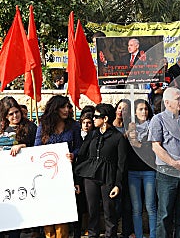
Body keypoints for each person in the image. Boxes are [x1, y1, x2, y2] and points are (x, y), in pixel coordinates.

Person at [147, 87, 180, 238]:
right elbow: (156, 146)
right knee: (165, 213)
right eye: (178, 99)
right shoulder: (158, 119)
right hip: (167, 172)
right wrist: (174, 163)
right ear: (167, 102)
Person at [75, 103, 128, 238]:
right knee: (92, 210)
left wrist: (118, 184)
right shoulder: (92, 135)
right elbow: (82, 155)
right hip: (90, 176)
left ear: (105, 119)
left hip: (108, 177)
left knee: (109, 210)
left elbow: (121, 164)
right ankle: (93, 235)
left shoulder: (118, 137)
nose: (93, 119)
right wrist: (77, 180)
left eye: (96, 116)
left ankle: (111, 235)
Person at [34, 95, 82, 238]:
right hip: (47, 177)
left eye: (68, 107)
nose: (67, 110)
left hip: (65, 176)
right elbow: (37, 147)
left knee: (62, 215)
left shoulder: (73, 126)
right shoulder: (43, 126)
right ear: (55, 108)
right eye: (63, 107)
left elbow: (80, 147)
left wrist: (73, 155)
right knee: (48, 214)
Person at [0, 97, 37, 238]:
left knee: (16, 221)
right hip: (4, 178)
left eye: (17, 112)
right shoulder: (2, 128)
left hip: (22, 180)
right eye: (10, 114)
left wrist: (23, 146)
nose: (15, 116)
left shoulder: (30, 127)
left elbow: (38, 148)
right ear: (4, 115)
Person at [124, 99, 157, 238]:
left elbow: (152, 148)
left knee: (150, 206)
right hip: (133, 171)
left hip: (149, 170)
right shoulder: (130, 128)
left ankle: (154, 235)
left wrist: (138, 144)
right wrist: (128, 135)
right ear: (135, 112)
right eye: (140, 109)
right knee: (136, 208)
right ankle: (139, 235)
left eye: (146, 109)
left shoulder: (153, 127)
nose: (144, 112)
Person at [112, 99, 134, 238]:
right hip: (113, 170)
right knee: (115, 206)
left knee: (127, 204)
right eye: (119, 107)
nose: (121, 111)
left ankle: (127, 231)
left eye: (124, 109)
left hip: (128, 169)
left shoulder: (130, 127)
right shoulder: (110, 127)